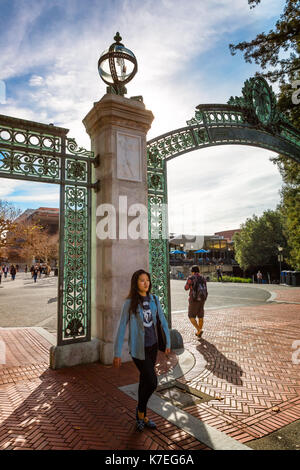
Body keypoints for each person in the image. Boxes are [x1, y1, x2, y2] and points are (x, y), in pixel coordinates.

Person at [113, 269, 171, 432]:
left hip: (152, 347)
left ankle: (142, 417)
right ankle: (140, 411)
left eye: (147, 280)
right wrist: (117, 353)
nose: (146, 283)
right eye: (142, 280)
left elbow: (163, 321)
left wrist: (168, 342)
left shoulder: (154, 299)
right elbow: (121, 328)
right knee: (152, 382)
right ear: (135, 283)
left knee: (145, 380)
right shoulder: (129, 303)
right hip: (138, 350)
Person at [184, 265, 208, 338]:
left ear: (192, 272)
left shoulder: (191, 278)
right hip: (202, 298)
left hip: (194, 299)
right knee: (201, 316)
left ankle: (199, 330)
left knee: (191, 316)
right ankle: (198, 332)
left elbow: (186, 288)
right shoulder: (203, 278)